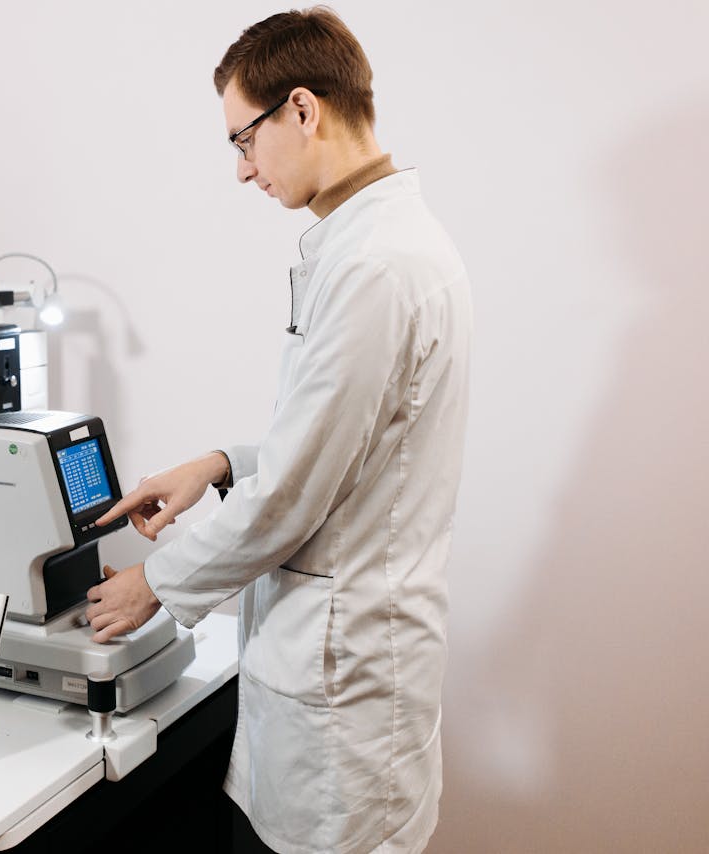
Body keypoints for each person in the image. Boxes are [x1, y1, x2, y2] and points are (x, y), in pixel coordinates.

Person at [85, 7, 471, 853]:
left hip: (345, 697)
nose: (242, 169)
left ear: (302, 108)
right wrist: (221, 463)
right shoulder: (364, 246)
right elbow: (357, 449)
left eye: (243, 140)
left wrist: (156, 582)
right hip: (328, 669)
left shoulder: (377, 266)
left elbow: (297, 488)